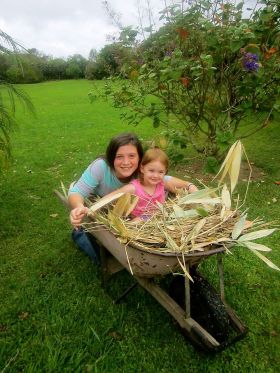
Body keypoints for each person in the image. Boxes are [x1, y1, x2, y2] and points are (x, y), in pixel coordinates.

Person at [68, 132, 198, 262]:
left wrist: (189, 185)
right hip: (105, 210)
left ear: (140, 159)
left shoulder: (142, 171)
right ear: (112, 157)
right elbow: (77, 191)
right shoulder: (101, 167)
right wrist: (80, 207)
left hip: (133, 215)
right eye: (119, 156)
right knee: (103, 256)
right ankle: (80, 235)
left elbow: (165, 179)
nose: (126, 162)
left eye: (131, 156)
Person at [91, 147, 194, 221]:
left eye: (160, 172)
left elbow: (176, 190)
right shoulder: (134, 187)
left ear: (165, 172)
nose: (155, 175)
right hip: (140, 219)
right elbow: (114, 195)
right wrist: (94, 208)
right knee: (136, 222)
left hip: (160, 215)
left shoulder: (162, 183)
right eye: (151, 171)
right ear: (142, 168)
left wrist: (189, 188)